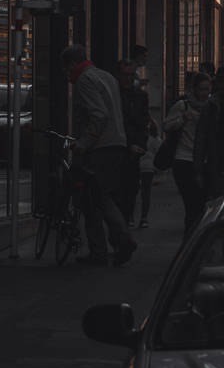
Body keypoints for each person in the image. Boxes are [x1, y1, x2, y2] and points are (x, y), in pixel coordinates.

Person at [64, 44, 137, 266]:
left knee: (95, 198)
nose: (67, 74)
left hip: (99, 147)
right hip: (116, 144)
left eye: (66, 69)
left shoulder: (85, 80)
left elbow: (98, 115)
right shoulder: (106, 76)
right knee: (99, 197)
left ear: (72, 64)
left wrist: (83, 143)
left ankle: (118, 242)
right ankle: (105, 248)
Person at [160, 71, 212, 234]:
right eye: (202, 89)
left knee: (202, 203)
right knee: (192, 204)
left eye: (207, 89)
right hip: (184, 159)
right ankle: (191, 239)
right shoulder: (183, 106)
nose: (204, 93)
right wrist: (182, 119)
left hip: (204, 161)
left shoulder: (212, 107)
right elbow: (166, 126)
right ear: (194, 89)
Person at [117, 59, 155, 223]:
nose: (128, 78)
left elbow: (143, 121)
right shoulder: (114, 95)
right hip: (118, 149)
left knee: (132, 188)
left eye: (131, 75)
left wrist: (140, 144)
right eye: (125, 75)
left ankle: (128, 218)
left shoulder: (140, 96)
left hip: (134, 152)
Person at [195, 65, 224, 198]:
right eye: (222, 81)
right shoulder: (211, 105)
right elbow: (201, 139)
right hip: (216, 164)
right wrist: (198, 170)